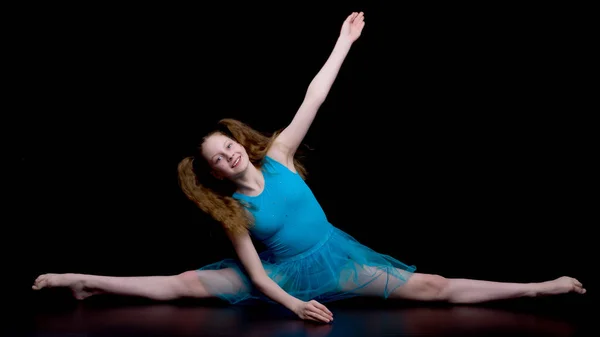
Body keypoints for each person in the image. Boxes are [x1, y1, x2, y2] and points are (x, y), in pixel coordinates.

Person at [32, 12, 585, 324]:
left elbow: (313, 98)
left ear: (240, 146)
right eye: (216, 159)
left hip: (338, 258)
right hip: (282, 278)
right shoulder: (231, 208)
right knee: (184, 285)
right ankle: (82, 280)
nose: (227, 156)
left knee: (434, 287)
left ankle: (537, 289)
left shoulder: (279, 155)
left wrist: (343, 42)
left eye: (228, 147)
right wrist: (294, 304)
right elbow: (252, 275)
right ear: (216, 174)